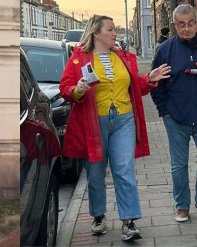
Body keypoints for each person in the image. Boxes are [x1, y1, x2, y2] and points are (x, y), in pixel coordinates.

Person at [59, 15, 170, 241]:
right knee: (96, 173)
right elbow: (65, 88)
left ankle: (129, 222)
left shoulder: (123, 57)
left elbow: (134, 86)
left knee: (124, 170)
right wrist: (78, 89)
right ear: (96, 33)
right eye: (109, 30)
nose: (114, 33)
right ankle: (98, 215)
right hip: (94, 123)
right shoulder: (79, 58)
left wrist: (149, 77)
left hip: (124, 119)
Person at [151, 4, 197, 223]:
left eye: (190, 23)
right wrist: (164, 112)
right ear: (175, 25)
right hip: (176, 118)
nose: (186, 29)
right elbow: (156, 84)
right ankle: (182, 207)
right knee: (179, 164)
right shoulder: (165, 50)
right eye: (181, 25)